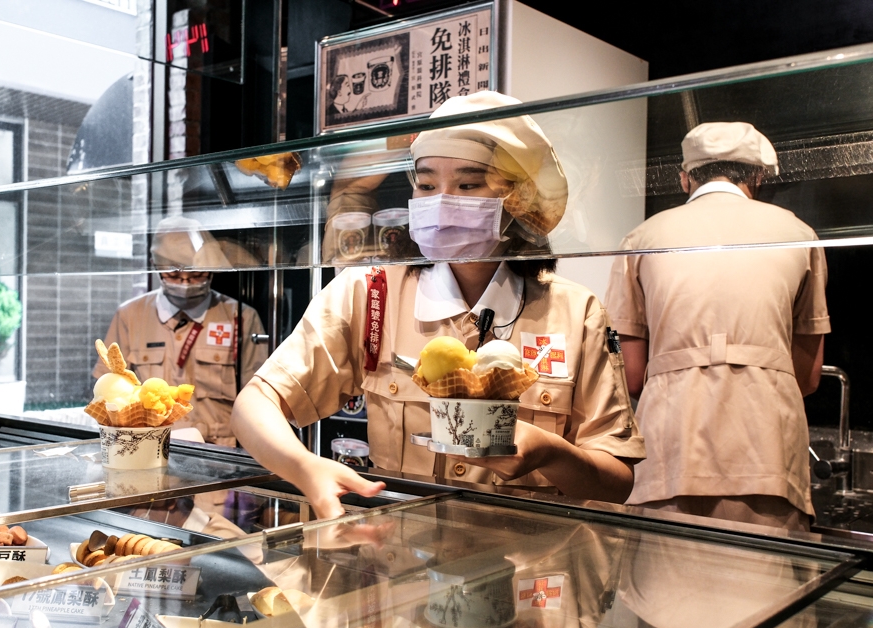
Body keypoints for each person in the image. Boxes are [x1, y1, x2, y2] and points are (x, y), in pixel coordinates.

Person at [232, 91, 644, 519]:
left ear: (518, 199)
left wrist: (552, 454)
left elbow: (618, 481)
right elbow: (254, 406)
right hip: (399, 562)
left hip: (529, 570)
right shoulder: (372, 293)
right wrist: (305, 467)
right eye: (427, 185)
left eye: (468, 185)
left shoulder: (577, 313)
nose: (441, 201)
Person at [604, 121, 829, 531]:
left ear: (685, 178)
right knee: (770, 593)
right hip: (769, 456)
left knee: (664, 591)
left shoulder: (641, 238)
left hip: (668, 455)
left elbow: (631, 377)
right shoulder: (800, 234)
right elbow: (808, 375)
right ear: (758, 176)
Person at [94, 216, 268, 447]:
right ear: (155, 266)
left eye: (196, 274)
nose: (185, 282)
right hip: (149, 446)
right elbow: (109, 394)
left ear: (211, 269)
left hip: (221, 453)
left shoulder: (242, 317)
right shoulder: (130, 316)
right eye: (174, 274)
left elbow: (259, 398)